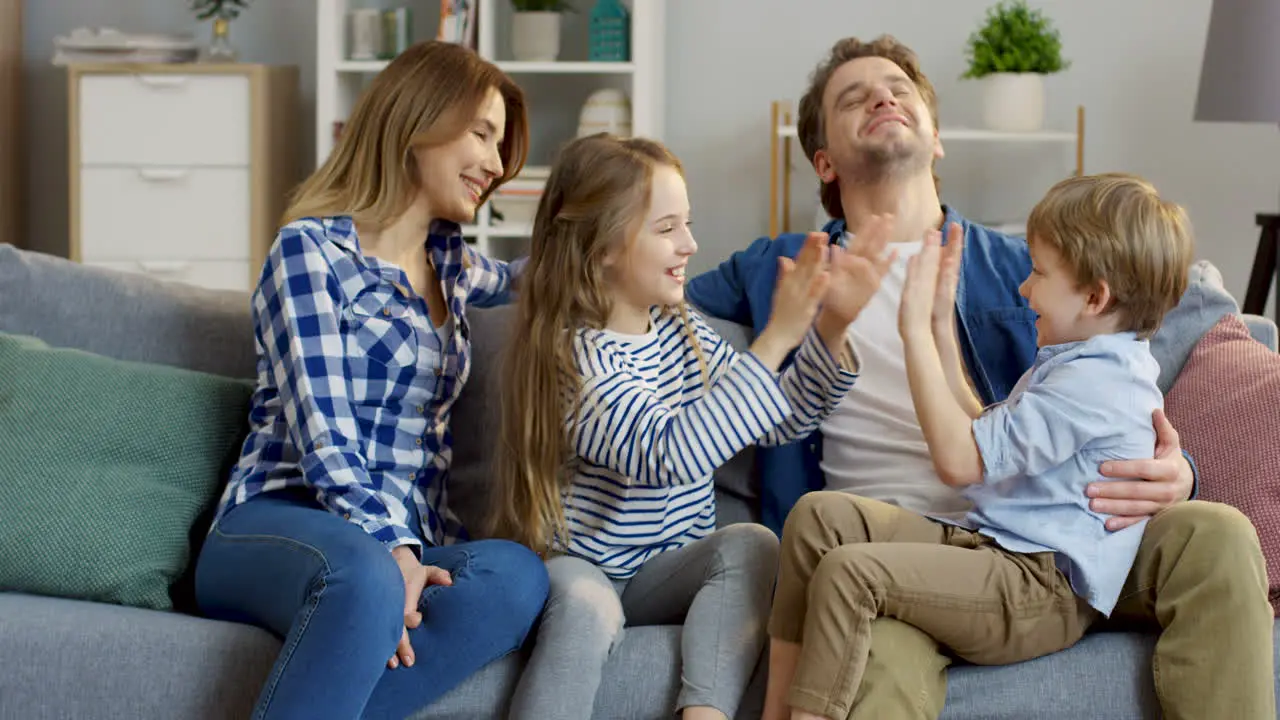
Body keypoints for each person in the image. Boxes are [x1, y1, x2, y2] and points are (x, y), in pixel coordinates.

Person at [686, 34, 1274, 720]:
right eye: (856, 97)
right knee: (875, 662)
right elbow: (631, 287)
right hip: (899, 541)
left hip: (1056, 529)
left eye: (900, 90)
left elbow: (1160, 325)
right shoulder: (782, 270)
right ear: (824, 159)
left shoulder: (1028, 263)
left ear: (937, 140)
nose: (883, 96)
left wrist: (1180, 473)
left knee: (1219, 533)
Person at [192, 41, 550, 720]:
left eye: (501, 145)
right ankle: (374, 600)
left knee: (516, 575)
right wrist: (394, 553)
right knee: (362, 579)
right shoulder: (310, 252)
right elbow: (324, 436)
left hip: (400, 546)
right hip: (279, 523)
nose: (497, 166)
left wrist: (684, 271)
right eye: (482, 133)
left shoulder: (457, 270)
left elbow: (546, 279)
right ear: (418, 121)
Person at [763, 173, 1195, 720]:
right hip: (995, 551)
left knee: (851, 572)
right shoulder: (1082, 360)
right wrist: (942, 327)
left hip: (1039, 589)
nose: (1024, 288)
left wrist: (913, 331)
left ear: (1095, 296)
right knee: (818, 518)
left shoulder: (1099, 384)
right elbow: (987, 438)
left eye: (1038, 273)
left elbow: (958, 462)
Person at [487, 133, 888, 720]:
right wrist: (776, 334)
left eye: (688, 223)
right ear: (601, 247)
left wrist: (830, 331)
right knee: (585, 610)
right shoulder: (572, 358)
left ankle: (703, 714)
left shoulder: (683, 332)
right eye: (667, 227)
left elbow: (778, 419)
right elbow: (669, 453)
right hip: (583, 564)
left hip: (663, 569)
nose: (691, 244)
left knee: (752, 543)